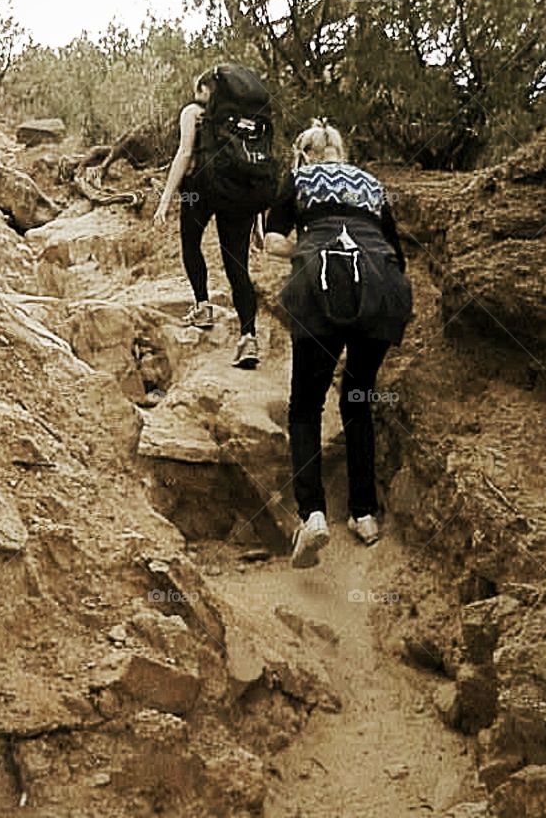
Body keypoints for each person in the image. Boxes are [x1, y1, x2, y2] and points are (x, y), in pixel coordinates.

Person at [264, 120, 412, 568]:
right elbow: (397, 255)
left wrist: (308, 248)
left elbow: (272, 243)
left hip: (321, 287)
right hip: (382, 292)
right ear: (341, 153)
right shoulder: (371, 184)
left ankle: (312, 514)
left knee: (306, 404)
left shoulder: (299, 178)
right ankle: (364, 514)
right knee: (358, 397)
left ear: (305, 154)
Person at [154, 70, 260, 369]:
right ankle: (249, 337)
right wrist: (259, 220)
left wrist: (165, 199)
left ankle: (203, 306)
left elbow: (185, 153)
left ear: (203, 89)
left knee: (191, 244)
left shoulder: (193, 112)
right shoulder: (245, 120)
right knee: (237, 265)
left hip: (198, 190)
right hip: (238, 194)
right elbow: (254, 166)